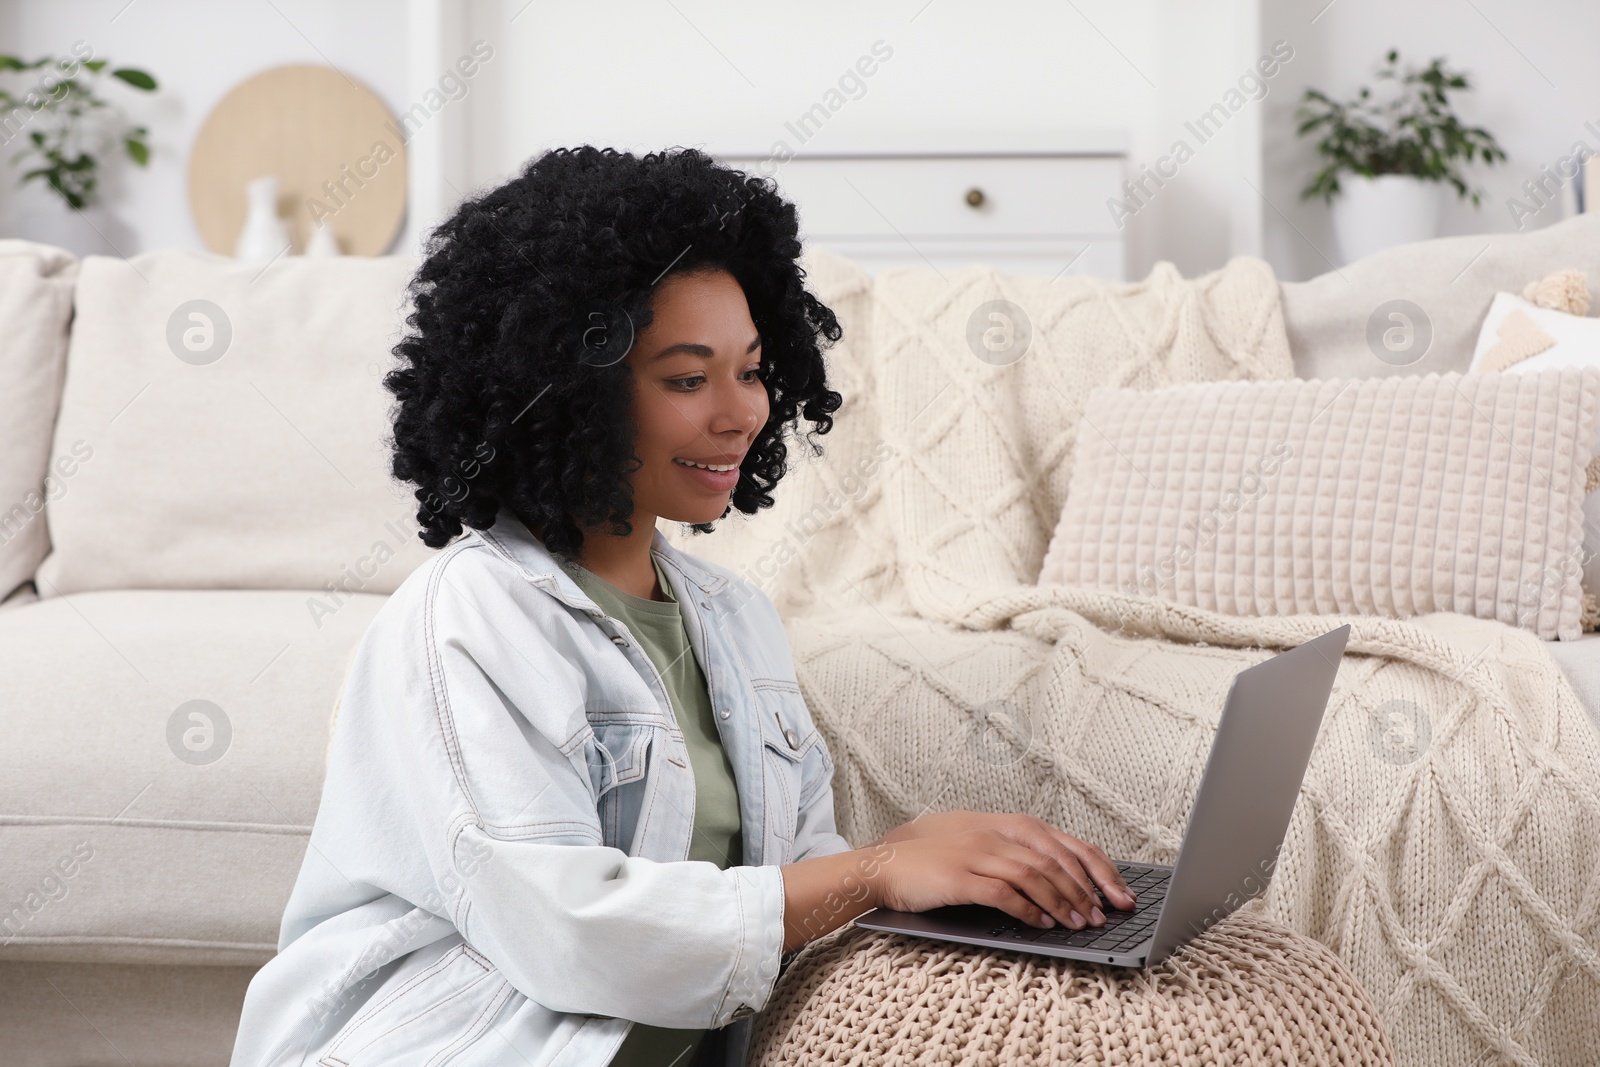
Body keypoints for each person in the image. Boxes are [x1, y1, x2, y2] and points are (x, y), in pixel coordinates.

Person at [227, 145, 1134, 1067]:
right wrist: (870, 874)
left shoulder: (733, 617)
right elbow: (568, 926)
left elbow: (787, 887)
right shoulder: (467, 617)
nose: (741, 413)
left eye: (751, 369)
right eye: (688, 378)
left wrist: (921, 856)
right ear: (567, 392)